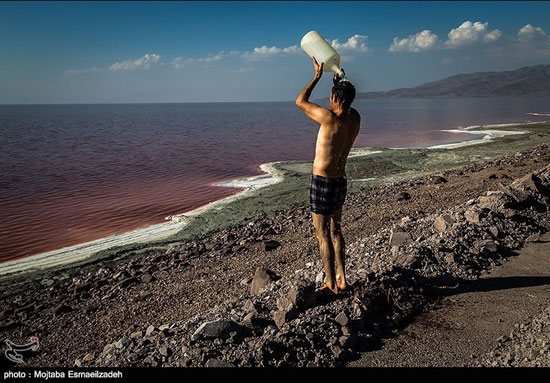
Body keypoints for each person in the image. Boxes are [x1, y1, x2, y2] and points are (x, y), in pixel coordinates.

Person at [295, 57, 360, 295]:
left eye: (331, 96)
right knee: (337, 230)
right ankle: (343, 279)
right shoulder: (355, 119)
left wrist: (316, 77)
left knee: (322, 233)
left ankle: (331, 283)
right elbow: (345, 104)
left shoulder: (328, 118)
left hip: (322, 182)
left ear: (334, 98)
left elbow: (300, 101)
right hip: (340, 180)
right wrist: (336, 85)